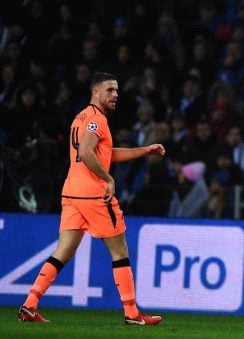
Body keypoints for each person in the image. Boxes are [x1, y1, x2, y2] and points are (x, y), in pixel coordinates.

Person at [17, 72, 165, 325]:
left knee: (63, 251)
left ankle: (29, 305)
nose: (115, 94)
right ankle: (132, 313)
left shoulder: (81, 118)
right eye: (109, 90)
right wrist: (108, 179)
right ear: (95, 92)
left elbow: (102, 153)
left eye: (117, 90)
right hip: (94, 195)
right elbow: (86, 152)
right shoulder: (97, 120)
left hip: (72, 193)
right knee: (120, 251)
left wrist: (143, 150)